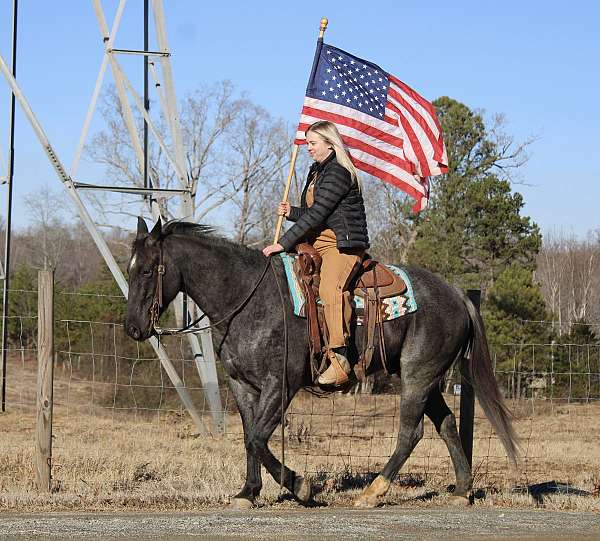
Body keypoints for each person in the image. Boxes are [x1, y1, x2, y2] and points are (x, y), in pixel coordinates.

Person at [262, 121, 369, 387]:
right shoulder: (317, 171)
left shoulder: (338, 173)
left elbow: (320, 214)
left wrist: (283, 243)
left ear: (330, 144)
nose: (308, 148)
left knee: (330, 290)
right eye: (308, 143)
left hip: (339, 245)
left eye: (313, 143)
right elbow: (315, 214)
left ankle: (340, 358)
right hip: (315, 241)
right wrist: (292, 213)